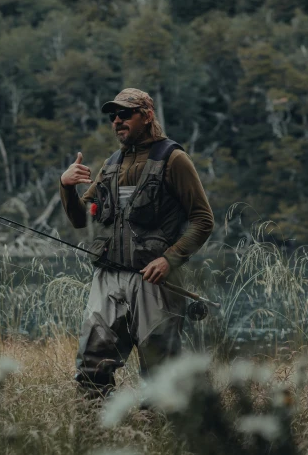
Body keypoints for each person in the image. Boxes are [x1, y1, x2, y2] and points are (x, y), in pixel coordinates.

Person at [59, 87, 214, 398]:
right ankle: (94, 426)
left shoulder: (174, 159)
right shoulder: (111, 164)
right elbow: (81, 219)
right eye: (113, 115)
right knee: (92, 362)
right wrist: (66, 186)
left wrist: (169, 259)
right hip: (107, 277)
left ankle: (158, 430)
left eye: (125, 113)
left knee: (160, 367)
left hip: (153, 280)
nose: (117, 120)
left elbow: (202, 219)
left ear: (147, 115)